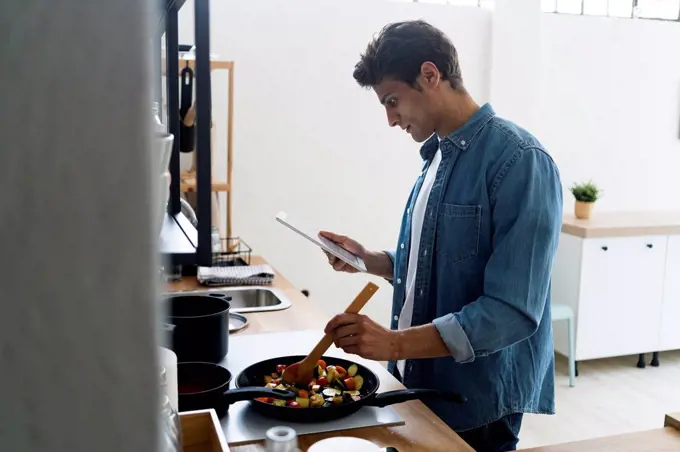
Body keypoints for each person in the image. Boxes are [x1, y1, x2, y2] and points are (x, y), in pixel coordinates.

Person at [320, 20, 563, 452]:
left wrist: (393, 343)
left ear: (430, 76)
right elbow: (440, 264)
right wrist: (371, 260)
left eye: (392, 101)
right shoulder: (435, 156)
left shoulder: (522, 161)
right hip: (419, 384)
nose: (390, 119)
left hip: (476, 403)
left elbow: (511, 310)